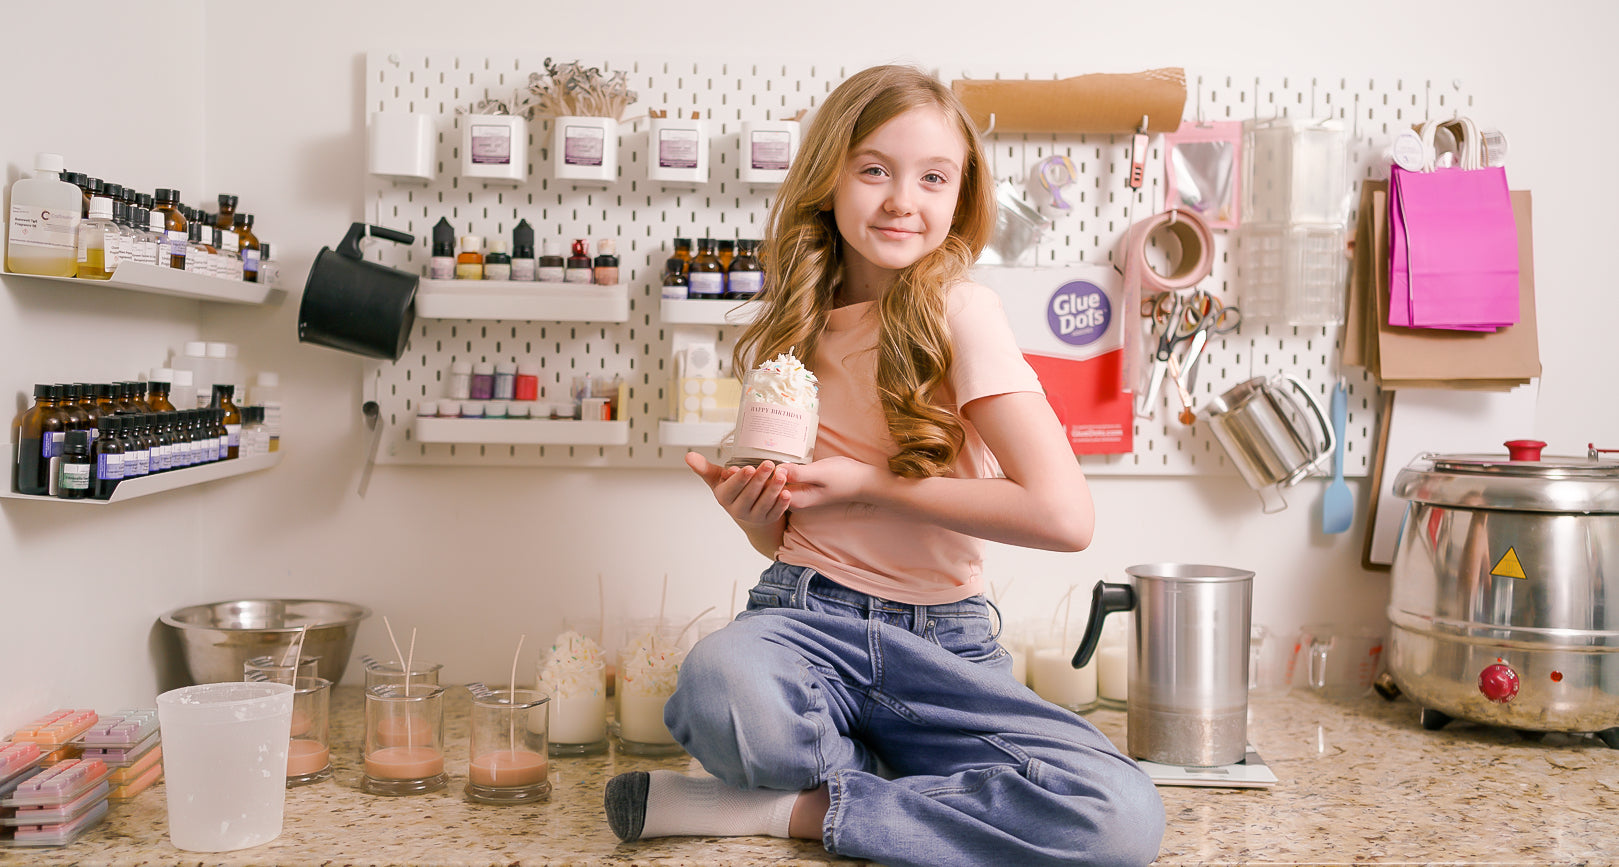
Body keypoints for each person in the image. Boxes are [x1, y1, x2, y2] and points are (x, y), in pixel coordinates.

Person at [602, 64, 1164, 867]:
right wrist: (760, 518)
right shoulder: (794, 322)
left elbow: (1063, 515)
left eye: (933, 178)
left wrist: (872, 483)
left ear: (961, 196)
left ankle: (790, 812)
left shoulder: (960, 312)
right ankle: (902, 798)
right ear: (827, 177)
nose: (904, 199)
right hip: (804, 617)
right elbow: (797, 537)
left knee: (1120, 817)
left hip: (944, 648)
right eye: (874, 170)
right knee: (719, 683)